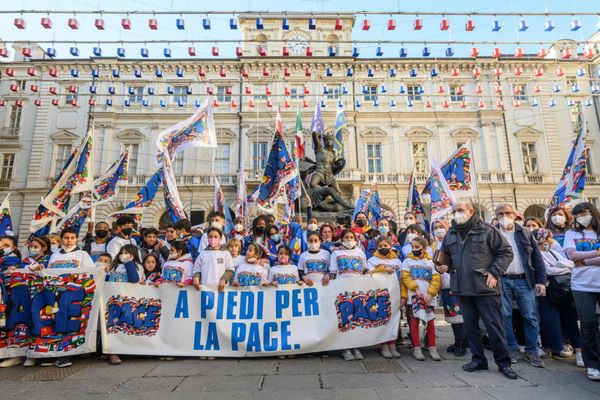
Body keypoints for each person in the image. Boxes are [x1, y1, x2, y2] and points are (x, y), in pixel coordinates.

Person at [439, 201, 518, 379]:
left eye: (460, 210)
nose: (457, 213)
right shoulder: (450, 234)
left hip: (485, 288)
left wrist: (494, 272)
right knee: (471, 327)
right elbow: (446, 257)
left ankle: (503, 362)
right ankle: (478, 359)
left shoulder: (487, 230)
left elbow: (506, 252)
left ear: (470, 211)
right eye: (454, 211)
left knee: (494, 326)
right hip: (462, 288)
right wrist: (442, 267)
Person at [495, 203, 547, 368]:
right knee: (505, 315)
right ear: (496, 217)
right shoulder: (492, 234)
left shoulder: (525, 232)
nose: (505, 216)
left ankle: (532, 350)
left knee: (530, 316)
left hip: (524, 280)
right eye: (501, 213)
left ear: (515, 214)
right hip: (502, 279)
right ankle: (511, 348)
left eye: (508, 212)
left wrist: (540, 280)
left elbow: (537, 258)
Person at [532, 228, 583, 367]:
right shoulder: (532, 255)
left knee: (570, 320)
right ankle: (547, 347)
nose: (546, 242)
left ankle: (579, 351)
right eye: (543, 239)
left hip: (562, 290)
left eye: (548, 239)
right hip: (545, 290)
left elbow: (570, 264)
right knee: (549, 321)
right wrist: (559, 267)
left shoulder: (554, 253)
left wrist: (557, 266)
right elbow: (545, 270)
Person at [46, 227, 95, 368]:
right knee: (55, 321)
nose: (69, 241)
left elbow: (91, 272)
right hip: (57, 293)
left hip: (74, 294)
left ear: (76, 239)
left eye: (72, 238)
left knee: (71, 322)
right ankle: (55, 351)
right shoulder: (54, 255)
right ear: (61, 238)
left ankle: (66, 353)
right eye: (66, 237)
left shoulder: (82, 254)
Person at [563, 202, 600, 381]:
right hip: (582, 286)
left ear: (592, 213)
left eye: (583, 213)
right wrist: (597, 254)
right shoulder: (571, 234)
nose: (580, 218)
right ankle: (592, 364)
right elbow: (572, 256)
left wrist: (584, 260)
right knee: (588, 324)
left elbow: (579, 258)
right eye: (576, 215)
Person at [329, 229, 368, 361]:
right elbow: (333, 271)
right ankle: (345, 348)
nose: (349, 239)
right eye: (346, 237)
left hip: (357, 290)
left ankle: (356, 346)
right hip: (342, 290)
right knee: (345, 318)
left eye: (351, 237)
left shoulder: (360, 252)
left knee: (357, 318)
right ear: (341, 239)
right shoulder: (336, 253)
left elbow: (365, 269)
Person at [401, 237, 441, 361]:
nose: (414, 249)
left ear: (424, 248)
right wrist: (416, 289)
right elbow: (406, 278)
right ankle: (416, 348)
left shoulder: (430, 263)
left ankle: (433, 348)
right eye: (412, 247)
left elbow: (436, 279)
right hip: (414, 297)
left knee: (430, 321)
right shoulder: (407, 261)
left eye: (417, 247)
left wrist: (430, 294)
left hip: (429, 297)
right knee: (414, 321)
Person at [432, 220, 467, 357]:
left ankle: (463, 342)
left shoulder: (454, 241)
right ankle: (457, 340)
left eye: (441, 227)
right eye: (436, 228)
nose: (439, 230)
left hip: (456, 282)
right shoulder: (433, 245)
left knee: (459, 316)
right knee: (451, 316)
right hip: (444, 285)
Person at [367, 236, 402, 359]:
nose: (383, 248)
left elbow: (401, 277)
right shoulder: (372, 260)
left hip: (395, 294)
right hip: (380, 294)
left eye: (386, 246)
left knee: (394, 319)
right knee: (382, 318)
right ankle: (384, 345)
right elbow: (369, 274)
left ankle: (392, 344)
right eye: (380, 246)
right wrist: (382, 268)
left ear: (390, 247)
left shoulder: (397, 261)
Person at [0, 236, 25, 368]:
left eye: (6, 245)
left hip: (9, 297)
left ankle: (13, 355)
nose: (2, 247)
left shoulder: (12, 260)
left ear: (13, 247)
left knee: (9, 325)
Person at [192, 227, 235, 293]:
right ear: (207, 238)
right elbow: (197, 269)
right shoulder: (203, 253)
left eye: (215, 237)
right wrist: (196, 278)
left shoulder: (226, 253)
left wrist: (224, 279)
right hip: (205, 289)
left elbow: (230, 269)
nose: (212, 239)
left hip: (221, 289)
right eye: (210, 237)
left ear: (220, 238)